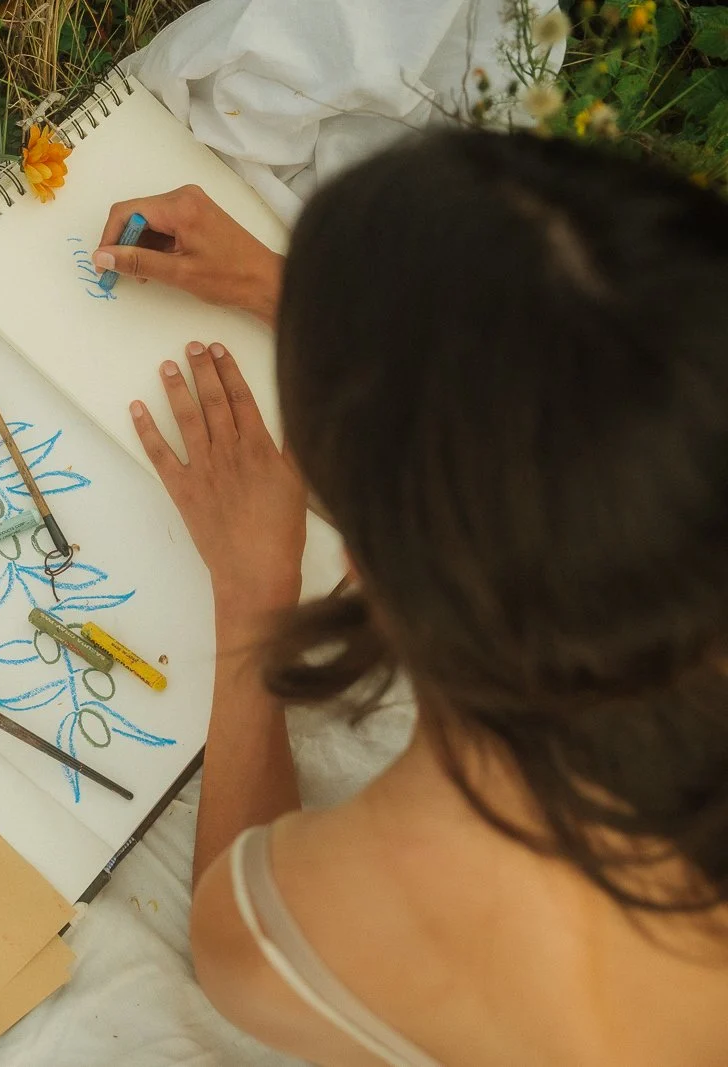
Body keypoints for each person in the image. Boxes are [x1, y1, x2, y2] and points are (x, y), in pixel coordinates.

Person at [92, 130, 728, 1065]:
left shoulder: (352, 917)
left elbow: (239, 912)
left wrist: (256, 597)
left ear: (360, 562)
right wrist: (315, 313)